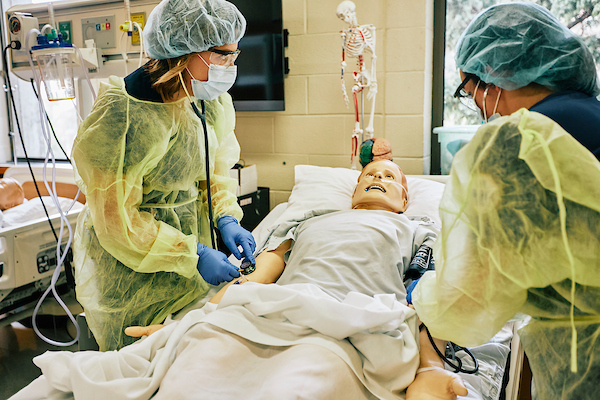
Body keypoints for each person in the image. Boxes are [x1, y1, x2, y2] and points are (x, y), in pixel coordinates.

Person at [14, 160, 468, 400]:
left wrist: (429, 368)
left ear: (406, 198)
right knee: (195, 375)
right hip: (270, 313)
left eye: (389, 178)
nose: (378, 179)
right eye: (369, 175)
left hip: (348, 326)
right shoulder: (307, 222)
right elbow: (259, 279)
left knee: (295, 387)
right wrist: (189, 322)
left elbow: (429, 298)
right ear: (352, 190)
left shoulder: (417, 231)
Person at [410, 3, 600, 399]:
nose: (476, 106)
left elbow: (466, 298)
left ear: (491, 80)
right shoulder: (589, 117)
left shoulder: (514, 145)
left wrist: (425, 296)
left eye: (467, 90)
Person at [71, 0, 255, 351]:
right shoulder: (122, 115)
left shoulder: (206, 100)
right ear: (184, 52)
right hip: (131, 274)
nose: (229, 66)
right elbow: (117, 220)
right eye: (221, 55)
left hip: (186, 270)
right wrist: (193, 254)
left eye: (234, 55)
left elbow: (214, 171)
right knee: (136, 364)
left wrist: (227, 217)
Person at [451, 2, 600, 159]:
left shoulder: (529, 135)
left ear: (492, 76)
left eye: (470, 95)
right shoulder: (588, 108)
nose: (481, 114)